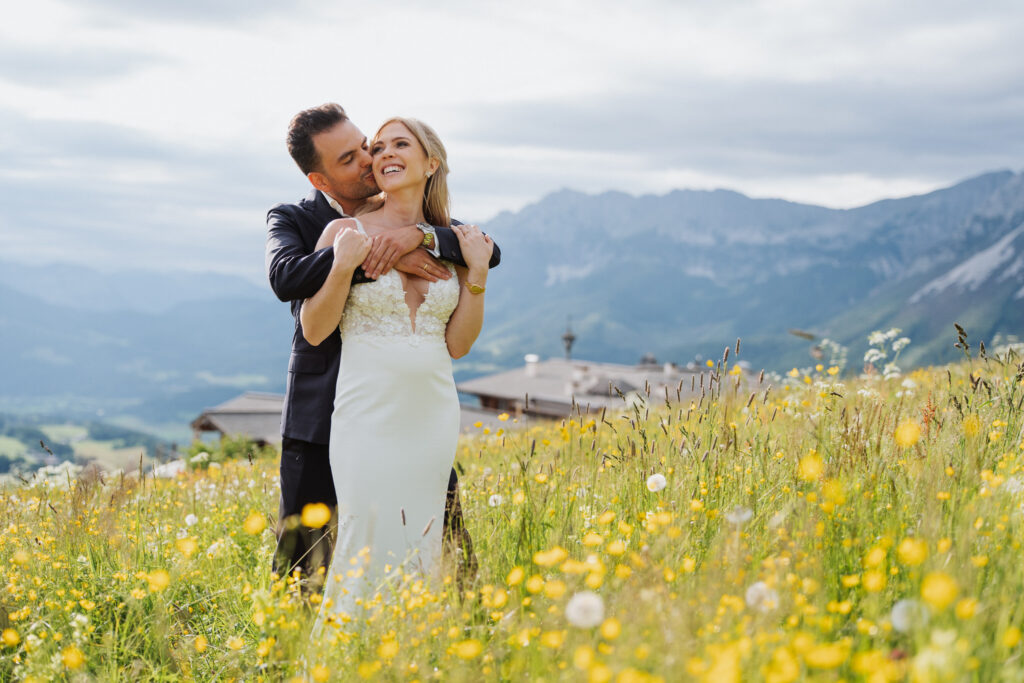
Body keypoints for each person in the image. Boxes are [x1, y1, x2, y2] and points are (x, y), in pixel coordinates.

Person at [265, 104, 500, 587]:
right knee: (307, 558)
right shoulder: (300, 221)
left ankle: (454, 627)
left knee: (440, 543)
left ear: (429, 163)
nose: (369, 161)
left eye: (364, 147)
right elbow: (285, 277)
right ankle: (296, 635)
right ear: (321, 179)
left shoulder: (431, 228)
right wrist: (375, 253)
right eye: (350, 158)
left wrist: (417, 238)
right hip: (328, 411)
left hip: (423, 410)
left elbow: (488, 253)